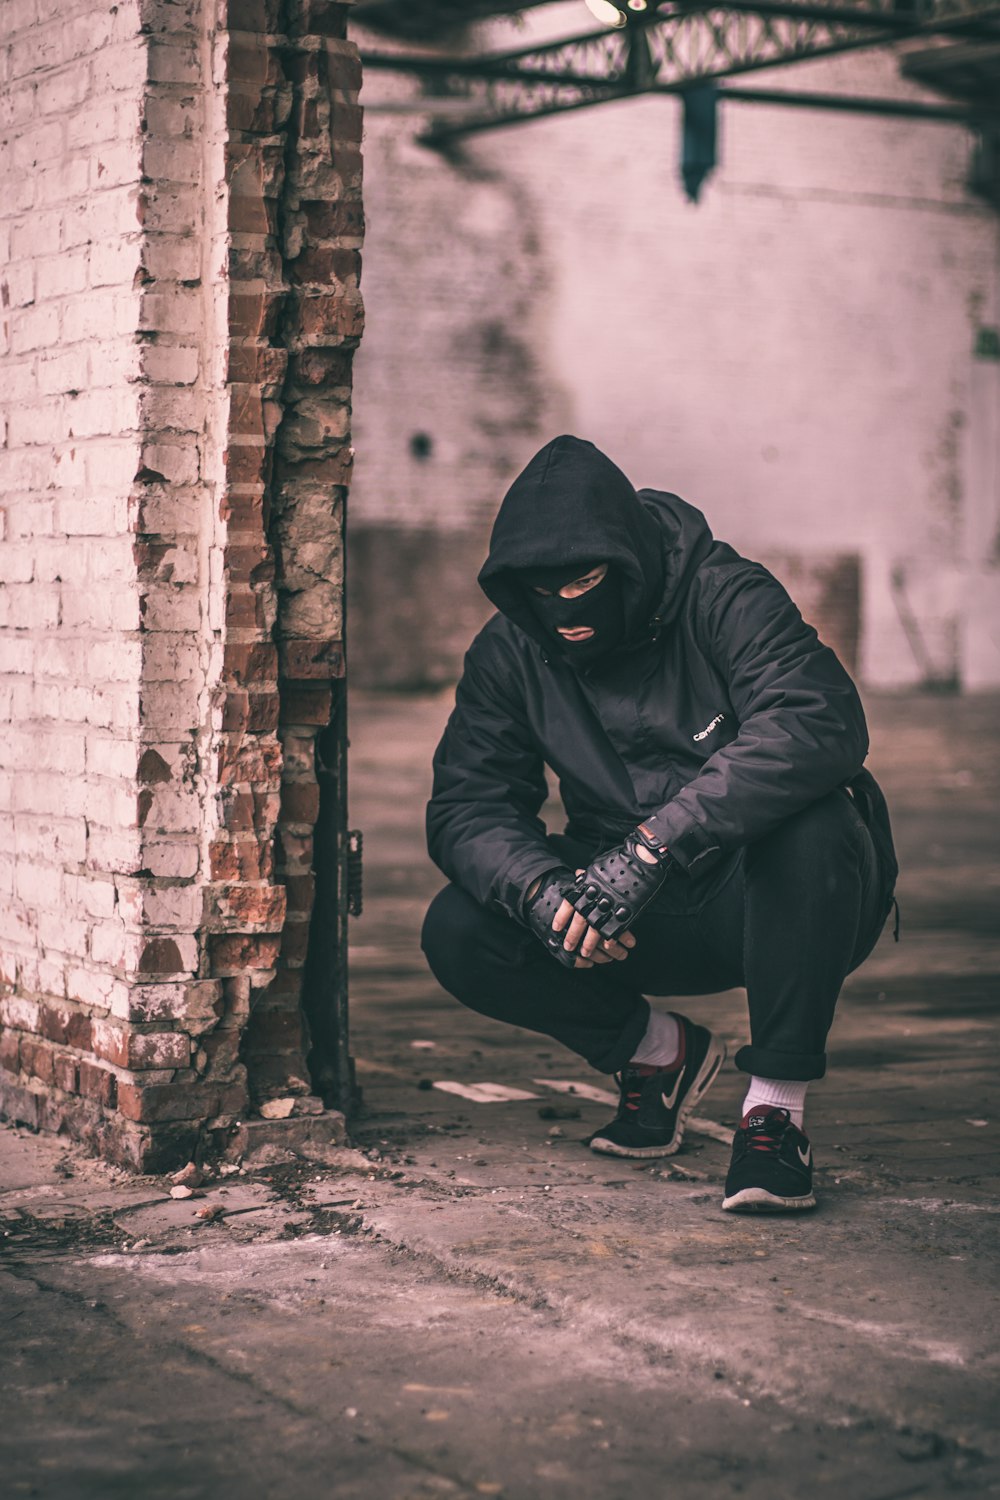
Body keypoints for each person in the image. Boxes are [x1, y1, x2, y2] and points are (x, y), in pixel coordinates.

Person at [421, 436, 897, 1212]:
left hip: (775, 894)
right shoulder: (511, 648)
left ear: (630, 561)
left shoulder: (724, 594)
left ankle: (774, 1112)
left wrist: (655, 848)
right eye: (543, 593)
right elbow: (468, 805)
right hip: (628, 915)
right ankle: (658, 1055)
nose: (566, 610)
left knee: (815, 821)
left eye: (584, 582)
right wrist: (543, 892)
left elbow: (818, 721)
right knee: (461, 927)